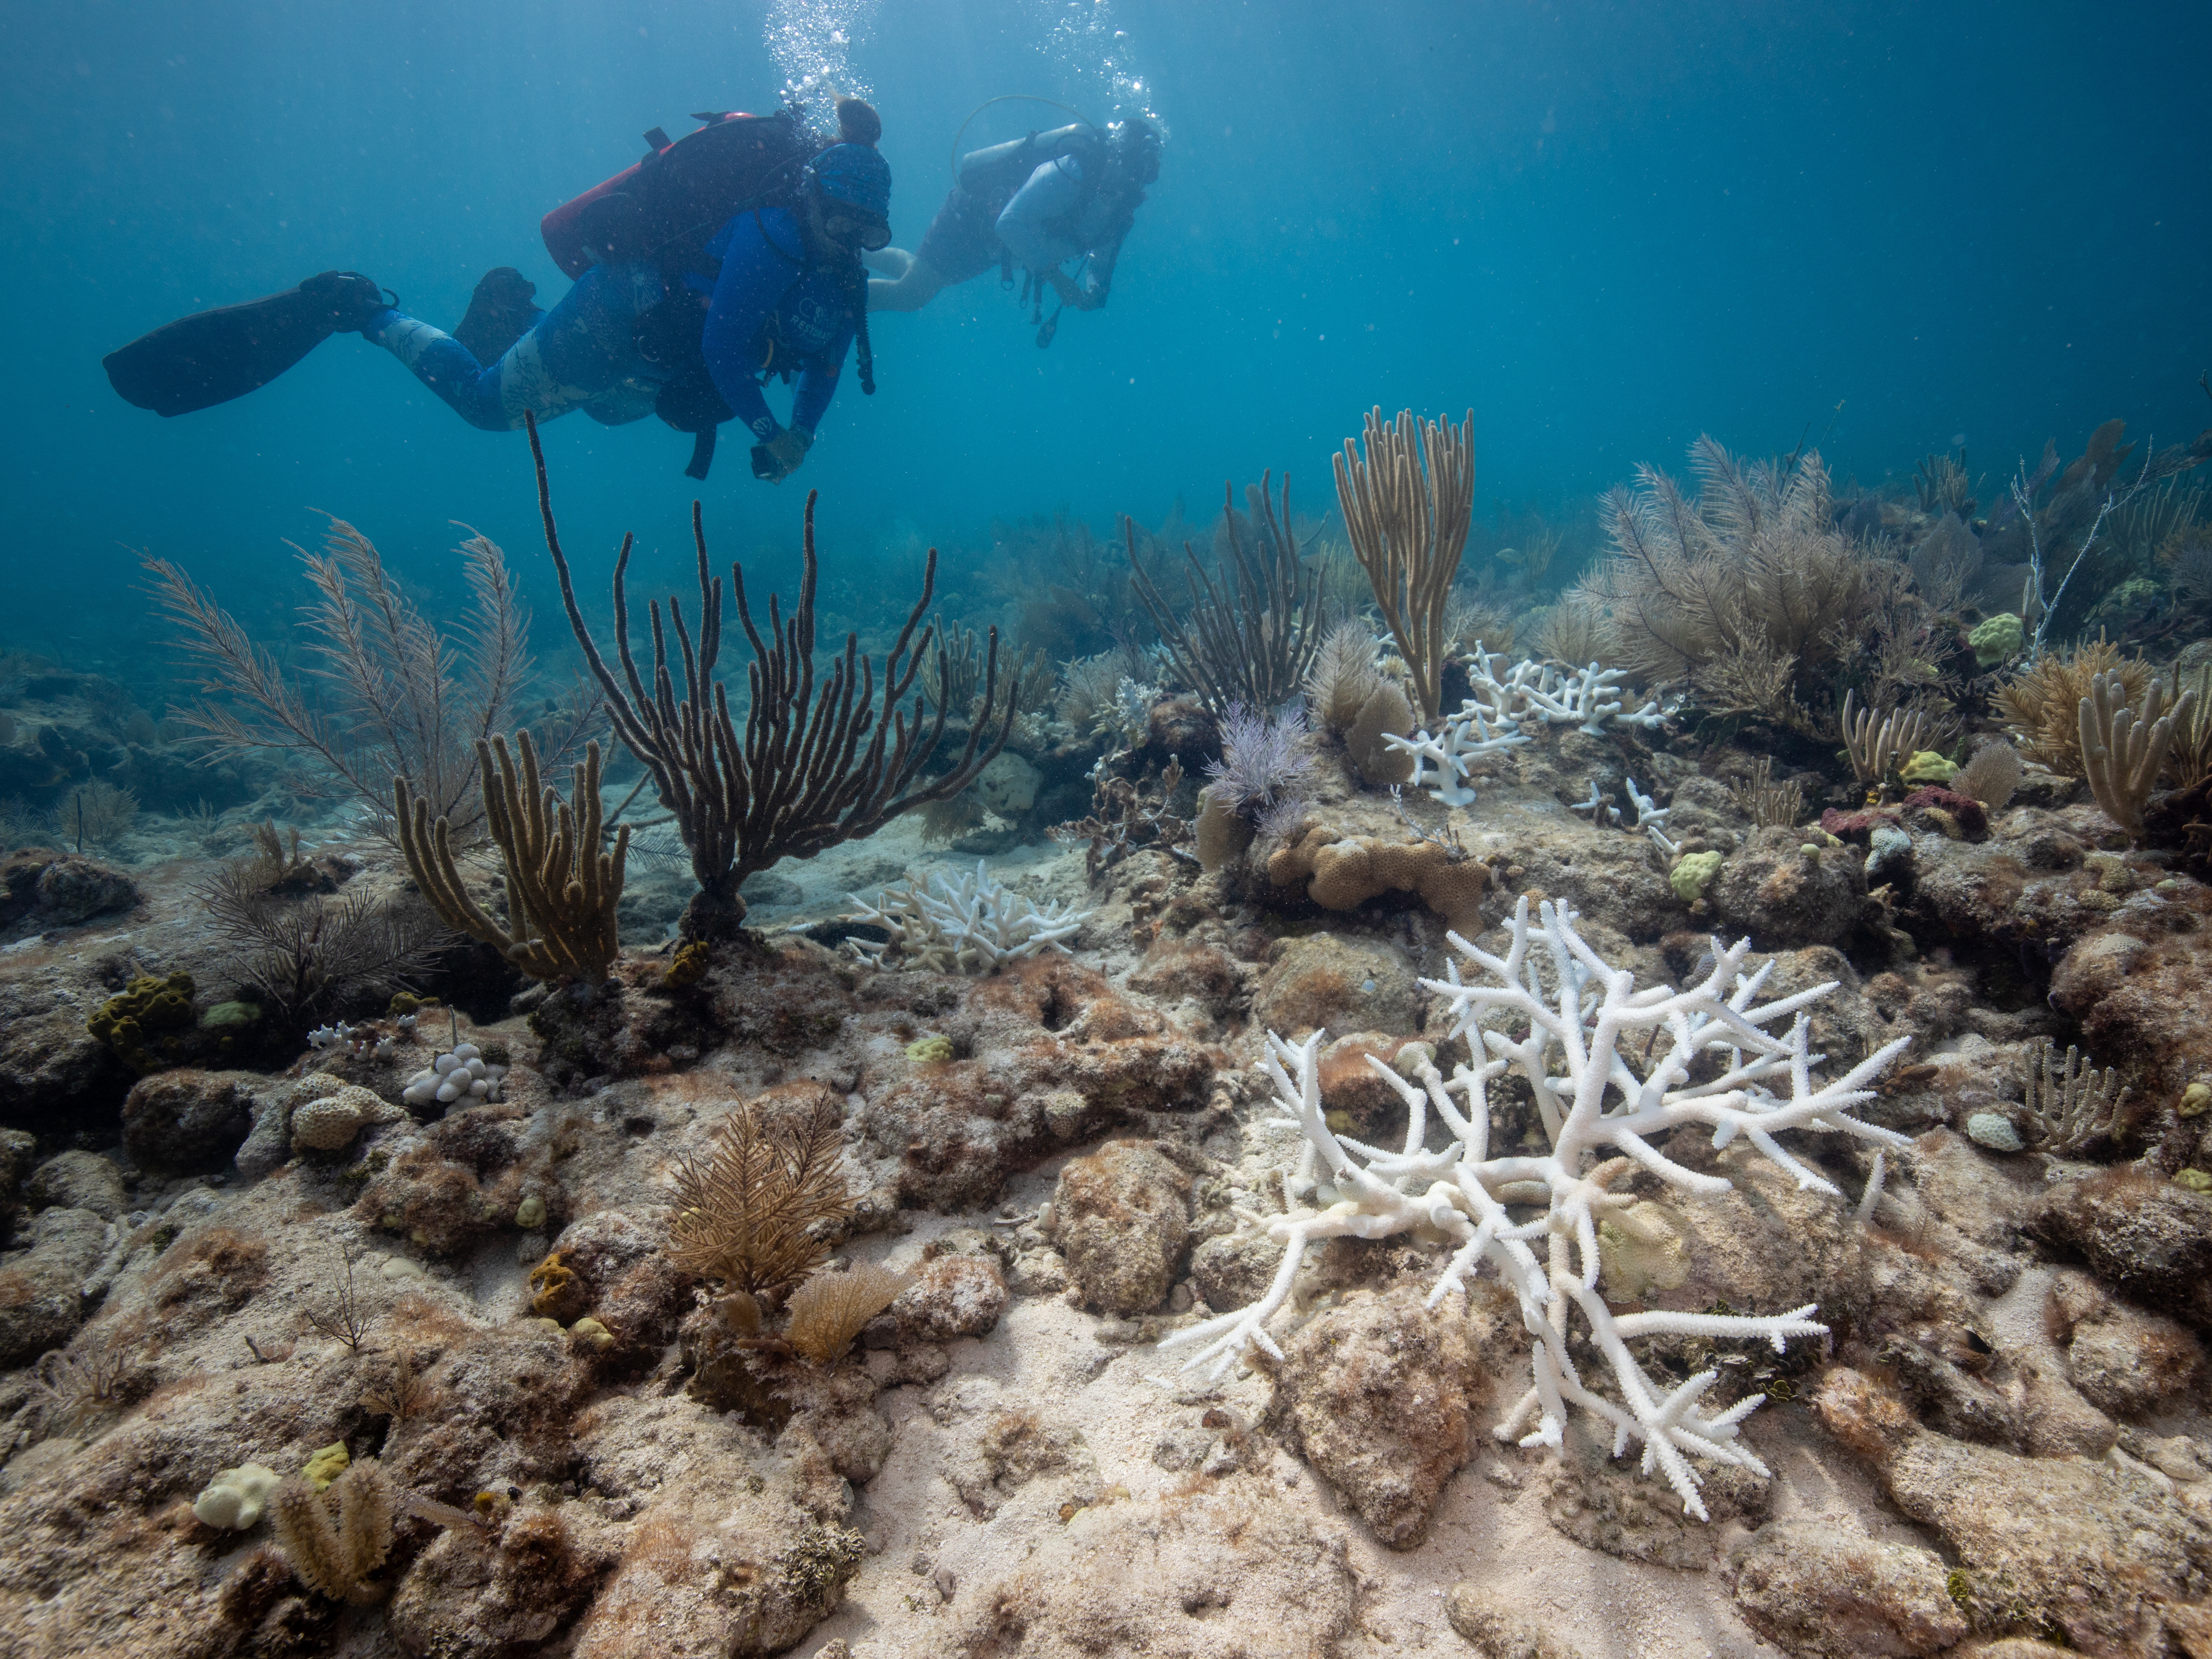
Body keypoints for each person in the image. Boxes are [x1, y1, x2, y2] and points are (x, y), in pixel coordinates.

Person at [103, 98, 891, 482]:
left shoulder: (837, 272)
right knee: (488, 408)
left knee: (615, 412)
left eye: (865, 230)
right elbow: (724, 345)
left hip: (661, 338)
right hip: (626, 305)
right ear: (808, 197)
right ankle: (362, 308)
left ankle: (518, 320)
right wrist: (767, 431)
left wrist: (805, 433)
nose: (846, 239)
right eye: (837, 218)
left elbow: (824, 361)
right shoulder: (771, 238)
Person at [867, 116, 1159, 342]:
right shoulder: (1071, 170)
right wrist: (1056, 277)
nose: (1127, 188)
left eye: (1137, 182)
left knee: (924, 276)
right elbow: (1008, 224)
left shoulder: (1118, 214)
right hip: (971, 221)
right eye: (1128, 175)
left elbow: (1101, 259)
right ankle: (836, 296)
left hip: (996, 249)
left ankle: (858, 254)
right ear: (1113, 156)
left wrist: (1093, 292)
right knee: (912, 295)